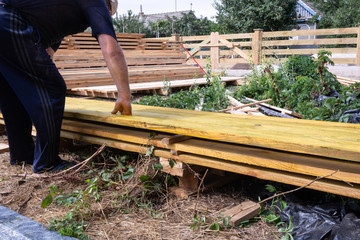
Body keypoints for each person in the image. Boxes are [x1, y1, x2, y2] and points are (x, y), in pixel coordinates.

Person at [0, 0, 132, 173]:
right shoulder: (95, 2)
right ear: (107, 7)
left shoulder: (57, 15)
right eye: (107, 14)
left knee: (15, 91)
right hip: (8, 21)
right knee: (53, 88)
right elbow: (111, 49)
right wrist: (124, 95)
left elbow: (46, 55)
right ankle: (47, 163)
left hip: (5, 22)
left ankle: (22, 156)